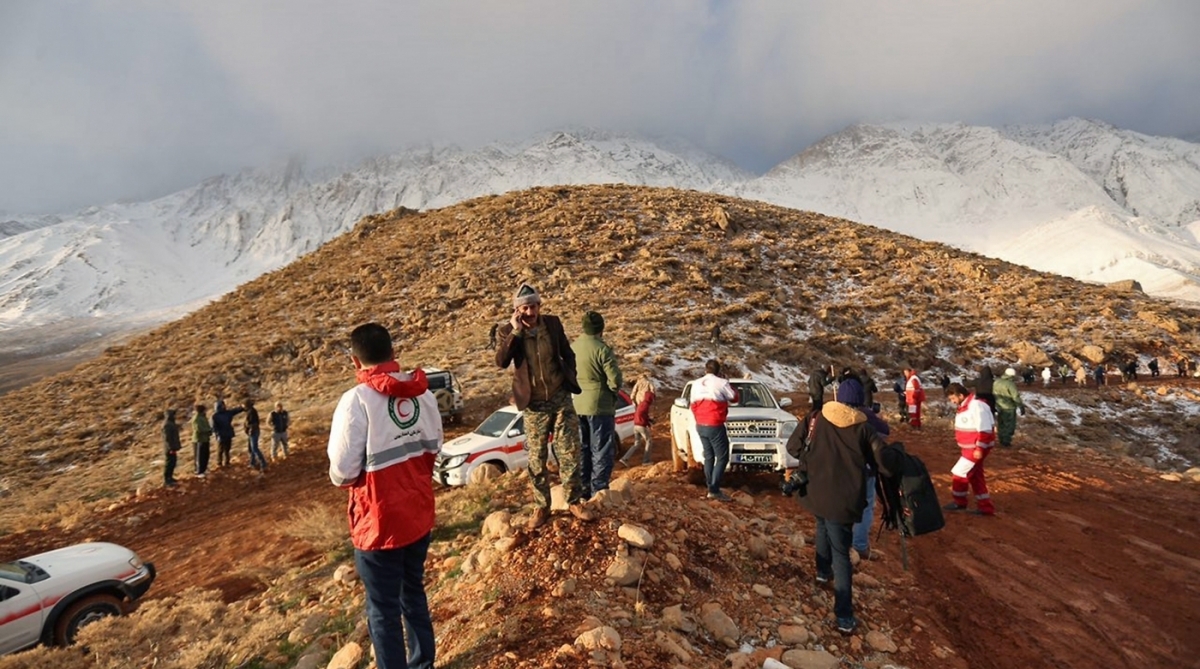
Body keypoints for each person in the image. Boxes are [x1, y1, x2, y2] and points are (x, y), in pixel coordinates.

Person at [327, 323, 441, 669]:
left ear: (354, 361)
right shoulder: (423, 393)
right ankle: (423, 663)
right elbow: (435, 445)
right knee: (413, 593)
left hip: (378, 525)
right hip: (417, 514)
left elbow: (342, 471)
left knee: (382, 611)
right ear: (393, 354)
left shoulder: (356, 401)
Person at [787, 377, 886, 635]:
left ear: (837, 397)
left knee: (821, 523)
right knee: (842, 553)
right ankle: (843, 616)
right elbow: (882, 463)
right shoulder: (864, 429)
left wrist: (816, 457)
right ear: (859, 403)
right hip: (844, 498)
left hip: (817, 491)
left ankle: (822, 572)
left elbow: (793, 448)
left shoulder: (816, 418)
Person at [495, 283, 595, 529]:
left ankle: (574, 500)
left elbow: (567, 353)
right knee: (537, 457)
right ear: (517, 310)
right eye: (525, 308)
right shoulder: (507, 331)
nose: (531, 312)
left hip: (560, 398)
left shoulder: (552, 323)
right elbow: (501, 361)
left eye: (534, 306)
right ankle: (542, 506)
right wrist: (516, 332)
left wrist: (569, 374)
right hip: (534, 405)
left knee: (570, 451)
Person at [834, 378, 890, 561]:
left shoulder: (831, 415)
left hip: (839, 469)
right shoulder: (866, 415)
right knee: (865, 506)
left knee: (840, 504)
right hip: (864, 469)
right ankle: (859, 545)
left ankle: (838, 543)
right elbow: (885, 432)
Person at [572, 311, 623, 498]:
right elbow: (615, 380)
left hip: (578, 404)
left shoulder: (574, 347)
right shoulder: (602, 349)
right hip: (600, 405)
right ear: (601, 328)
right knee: (600, 449)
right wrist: (612, 391)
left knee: (583, 448)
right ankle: (599, 492)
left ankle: (583, 490)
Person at [690, 359, 738, 502]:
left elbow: (692, 404)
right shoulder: (721, 383)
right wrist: (727, 382)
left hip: (700, 424)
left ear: (706, 370)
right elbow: (734, 397)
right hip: (715, 423)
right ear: (718, 371)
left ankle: (710, 485)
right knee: (722, 457)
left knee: (709, 456)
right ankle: (714, 489)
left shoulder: (696, 384)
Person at [944, 383, 995, 515]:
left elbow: (985, 429)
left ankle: (959, 502)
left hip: (974, 449)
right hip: (969, 449)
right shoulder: (965, 406)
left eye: (953, 398)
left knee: (959, 473)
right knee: (975, 476)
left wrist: (979, 448)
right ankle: (985, 507)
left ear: (961, 395)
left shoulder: (977, 406)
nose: (952, 402)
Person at [621, 373, 656, 467]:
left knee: (637, 443)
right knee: (649, 441)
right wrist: (648, 423)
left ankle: (625, 458)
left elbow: (633, 393)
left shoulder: (638, 384)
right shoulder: (648, 384)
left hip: (636, 421)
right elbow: (653, 390)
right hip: (641, 424)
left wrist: (633, 401)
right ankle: (646, 461)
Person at [993, 368, 1026, 447]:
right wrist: (1021, 406)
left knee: (1001, 423)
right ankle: (1006, 441)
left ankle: (1001, 439)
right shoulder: (1010, 384)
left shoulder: (996, 382)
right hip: (1009, 407)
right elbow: (1015, 397)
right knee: (1009, 424)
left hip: (999, 406)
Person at [211, 400, 244, 468]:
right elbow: (214, 427)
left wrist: (242, 407)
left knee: (227, 449)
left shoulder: (227, 413)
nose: (224, 406)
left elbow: (235, 411)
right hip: (221, 435)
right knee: (220, 450)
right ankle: (219, 463)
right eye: (222, 405)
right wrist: (217, 434)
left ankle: (227, 462)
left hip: (228, 433)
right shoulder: (215, 416)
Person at [244, 399, 267, 473]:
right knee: (251, 448)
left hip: (253, 432)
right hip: (252, 432)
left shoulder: (251, 412)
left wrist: (249, 427)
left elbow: (253, 423)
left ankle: (263, 463)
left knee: (254, 448)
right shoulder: (251, 411)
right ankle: (252, 462)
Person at [191, 404, 213, 477]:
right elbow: (199, 429)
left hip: (205, 439)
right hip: (199, 440)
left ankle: (204, 469)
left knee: (205, 455)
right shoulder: (196, 419)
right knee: (200, 456)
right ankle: (199, 471)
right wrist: (209, 430)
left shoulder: (203, 417)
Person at [163, 409, 181, 487]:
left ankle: (170, 477)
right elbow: (167, 439)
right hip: (170, 448)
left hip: (172, 447)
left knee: (173, 463)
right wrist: (171, 448)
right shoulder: (167, 425)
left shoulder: (170, 424)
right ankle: (167, 480)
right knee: (169, 463)